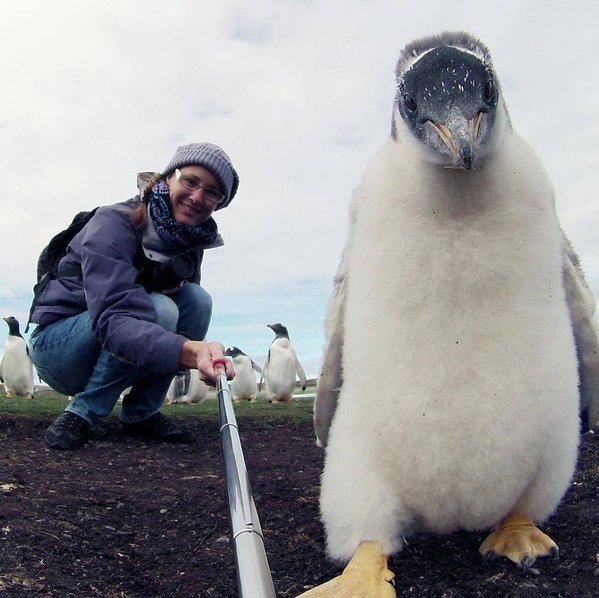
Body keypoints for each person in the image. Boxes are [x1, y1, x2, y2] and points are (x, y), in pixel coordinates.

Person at [28, 142, 237, 450]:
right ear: (169, 178)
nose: (196, 197)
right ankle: (82, 411)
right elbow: (114, 316)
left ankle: (141, 412)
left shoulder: (190, 241)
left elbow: (181, 311)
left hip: (114, 344)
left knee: (196, 300)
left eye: (211, 192)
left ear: (218, 203)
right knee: (160, 309)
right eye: (191, 181)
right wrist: (191, 351)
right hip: (59, 347)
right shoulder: (114, 222)